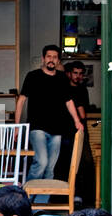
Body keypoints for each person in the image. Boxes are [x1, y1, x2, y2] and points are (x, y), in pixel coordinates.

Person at [15, 45, 82, 183]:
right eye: (49, 56)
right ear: (43, 59)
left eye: (55, 57)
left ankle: (41, 204)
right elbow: (21, 101)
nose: (51, 60)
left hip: (57, 130)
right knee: (41, 162)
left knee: (50, 168)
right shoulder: (33, 76)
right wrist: (17, 126)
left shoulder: (62, 78)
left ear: (58, 61)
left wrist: (77, 120)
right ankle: (26, 197)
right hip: (37, 128)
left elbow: (69, 101)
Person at [54, 61, 96, 207]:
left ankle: (76, 195)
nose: (78, 76)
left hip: (78, 130)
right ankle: (66, 196)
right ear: (69, 73)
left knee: (81, 164)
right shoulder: (64, 86)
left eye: (80, 73)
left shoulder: (81, 89)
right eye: (75, 73)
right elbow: (82, 112)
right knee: (65, 164)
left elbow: (82, 113)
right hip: (66, 130)